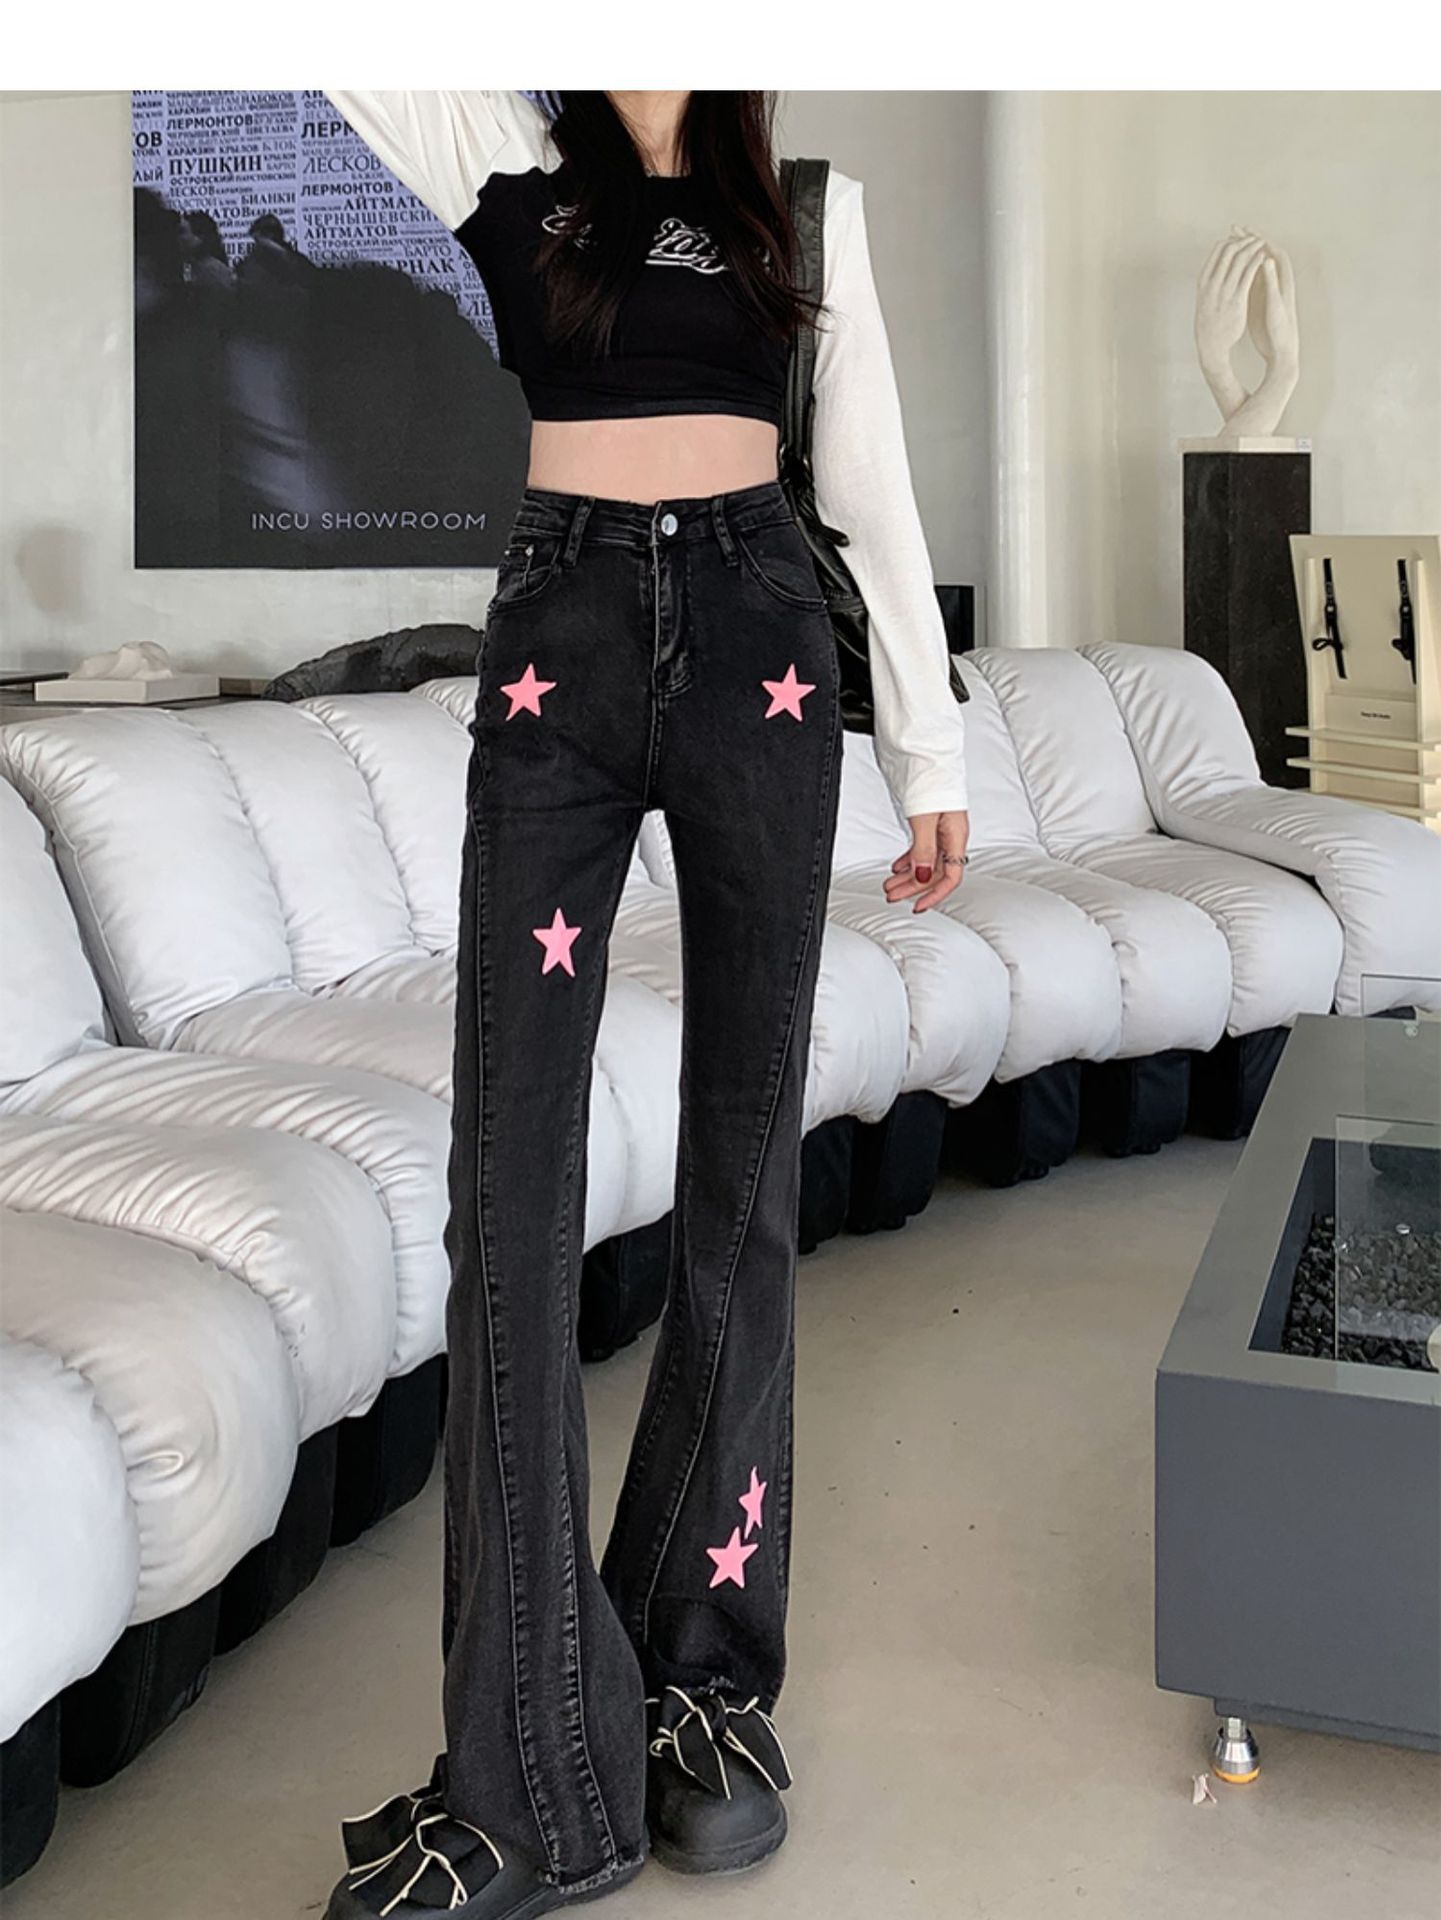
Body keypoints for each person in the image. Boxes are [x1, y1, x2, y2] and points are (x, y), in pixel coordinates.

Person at [319, 88, 970, 1920]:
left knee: (740, 1177)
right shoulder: (499, 155)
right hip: (562, 641)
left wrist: (926, 746)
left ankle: (701, 1678)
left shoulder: (805, 206)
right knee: (505, 1196)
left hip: (765, 641)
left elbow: (869, 487)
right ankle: (529, 1776)